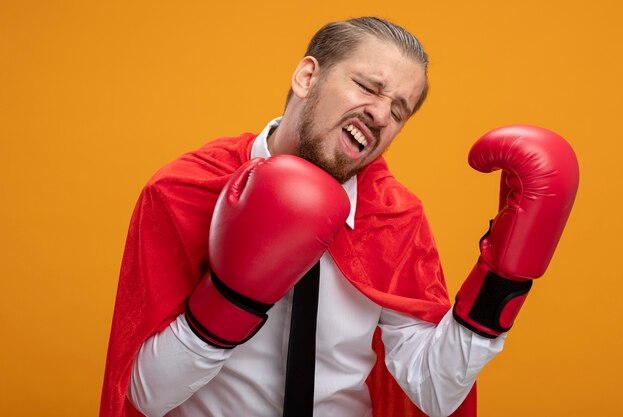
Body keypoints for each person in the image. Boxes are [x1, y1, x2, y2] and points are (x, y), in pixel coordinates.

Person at [100, 16, 578, 417]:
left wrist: (502, 282)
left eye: (399, 110)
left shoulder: (395, 217)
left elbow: (433, 393)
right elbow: (145, 394)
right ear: (308, 77)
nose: (381, 114)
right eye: (369, 87)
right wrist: (230, 297)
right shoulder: (186, 189)